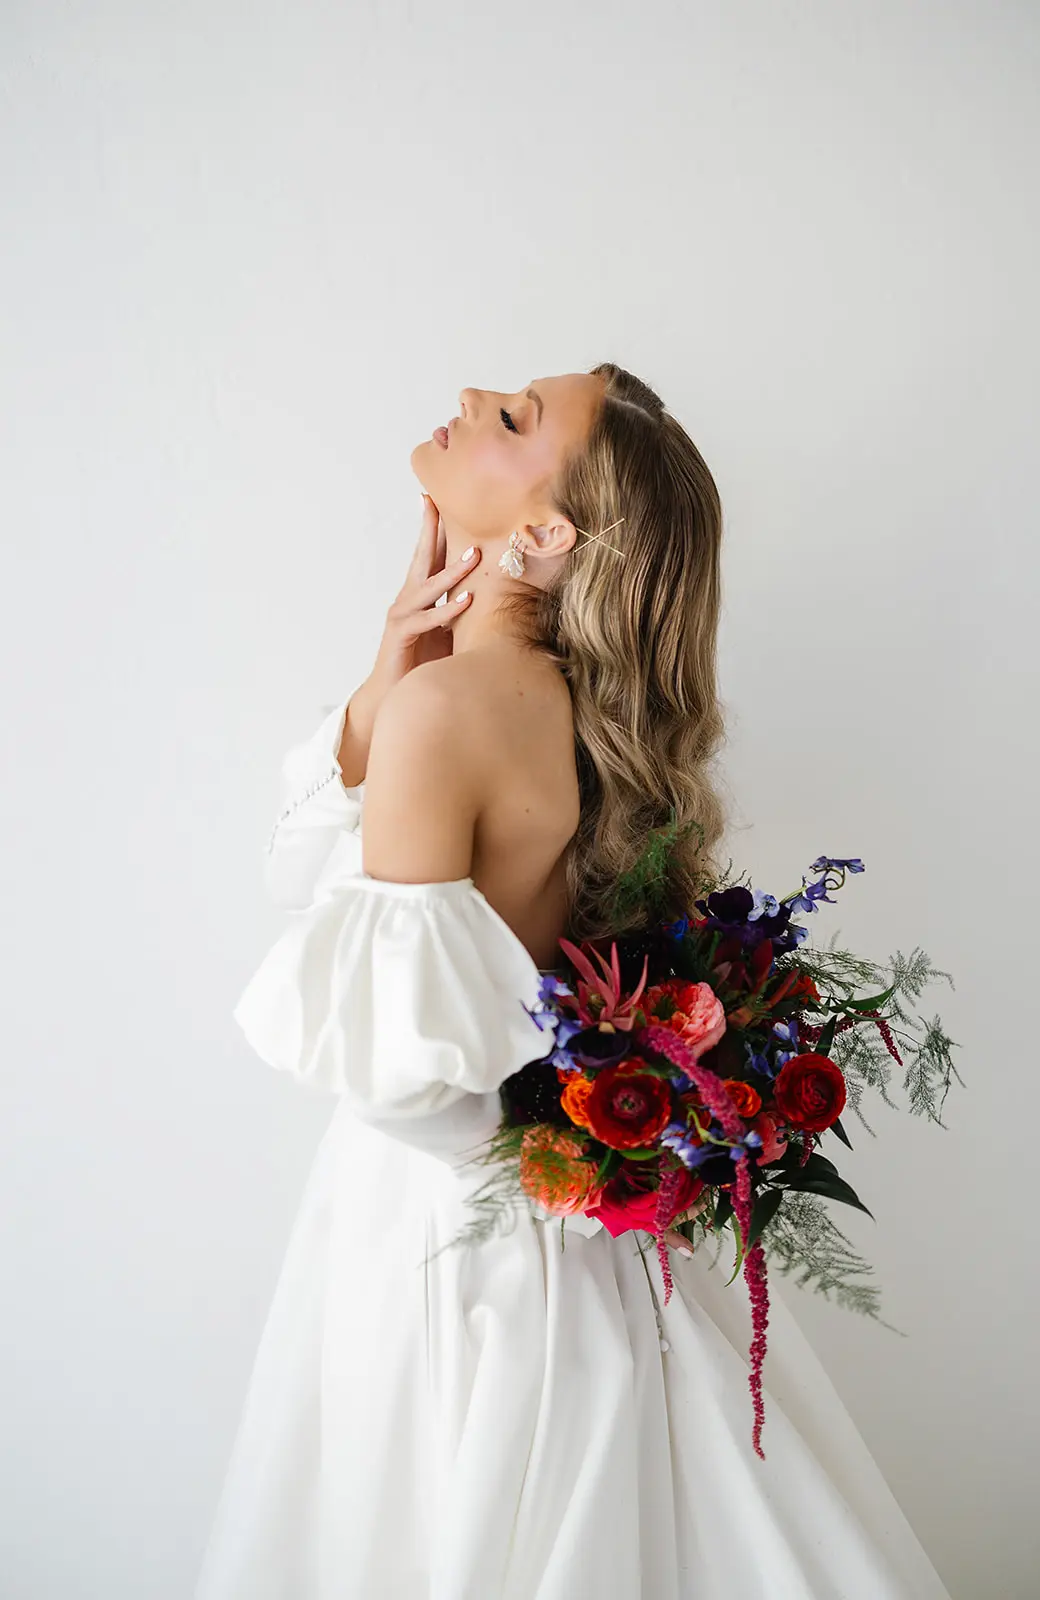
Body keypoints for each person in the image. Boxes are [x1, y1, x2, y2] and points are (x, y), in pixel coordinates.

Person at [195, 366, 952, 1598]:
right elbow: (316, 881)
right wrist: (385, 676)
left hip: (442, 1236)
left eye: (510, 418)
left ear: (546, 534)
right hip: (558, 1230)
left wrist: (413, 700)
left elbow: (396, 1081)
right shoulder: (546, 708)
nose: (472, 390)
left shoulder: (450, 710)